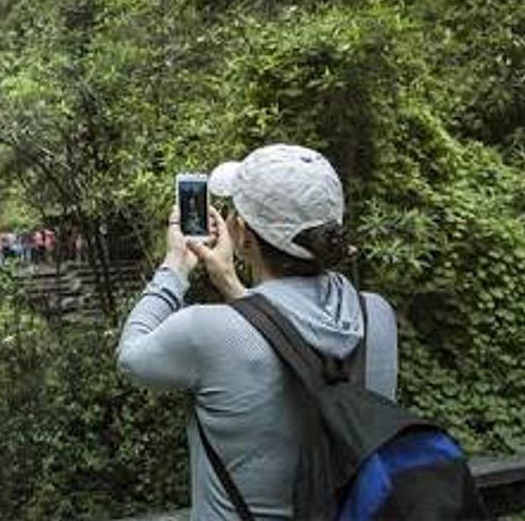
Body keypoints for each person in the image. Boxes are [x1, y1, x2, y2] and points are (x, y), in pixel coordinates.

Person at [117, 144, 397, 520]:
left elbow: (132, 357)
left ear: (243, 235)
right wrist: (232, 285)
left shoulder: (206, 331)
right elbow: (294, 342)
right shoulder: (375, 314)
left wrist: (175, 266)